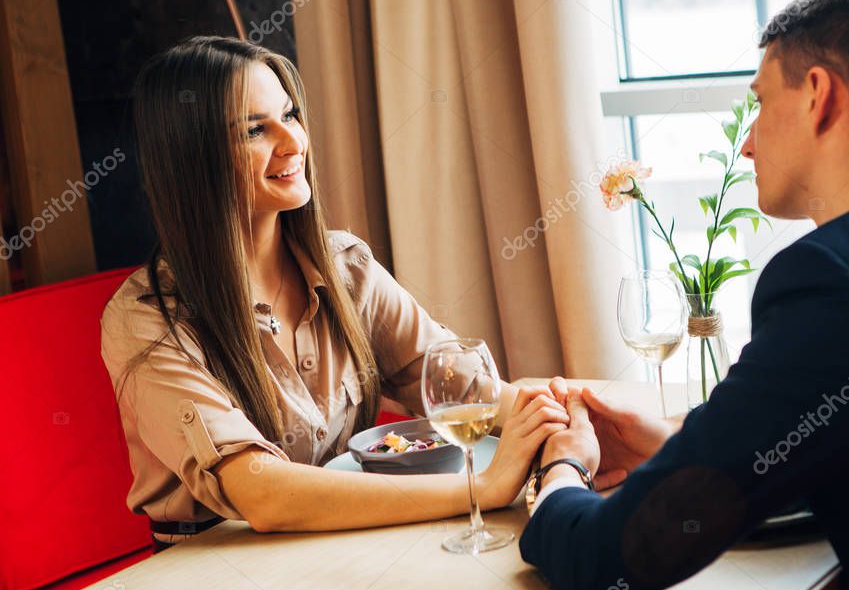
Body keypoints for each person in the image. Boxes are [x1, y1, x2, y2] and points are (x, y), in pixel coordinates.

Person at [519, 0, 849, 590]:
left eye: (760, 101)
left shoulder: (839, 284)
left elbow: (610, 560)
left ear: (819, 95)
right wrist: (679, 444)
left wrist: (561, 472)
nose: (749, 143)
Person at [102, 36, 568, 551]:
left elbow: (461, 391)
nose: (293, 140)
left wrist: (557, 413)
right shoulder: (145, 318)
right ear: (192, 158)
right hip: (215, 567)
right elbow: (261, 492)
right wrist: (482, 488)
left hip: (346, 541)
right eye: (256, 130)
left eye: (291, 114)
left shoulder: (346, 264)